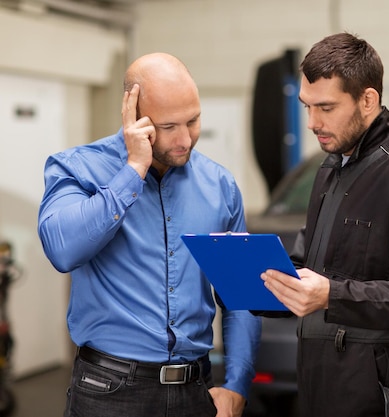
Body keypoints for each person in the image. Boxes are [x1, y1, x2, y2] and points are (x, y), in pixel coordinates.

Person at [38, 53, 261, 417]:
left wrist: (237, 384)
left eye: (194, 120)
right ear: (133, 114)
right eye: (169, 126)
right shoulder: (77, 168)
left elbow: (241, 294)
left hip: (196, 391)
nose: (186, 139)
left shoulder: (220, 185)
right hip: (108, 393)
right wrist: (134, 170)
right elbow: (62, 250)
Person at [261, 33, 389, 417]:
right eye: (307, 107)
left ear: (367, 100)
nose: (312, 123)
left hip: (377, 393)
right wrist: (253, 280)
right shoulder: (329, 169)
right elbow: (310, 271)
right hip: (320, 386)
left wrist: (333, 296)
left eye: (326, 108)